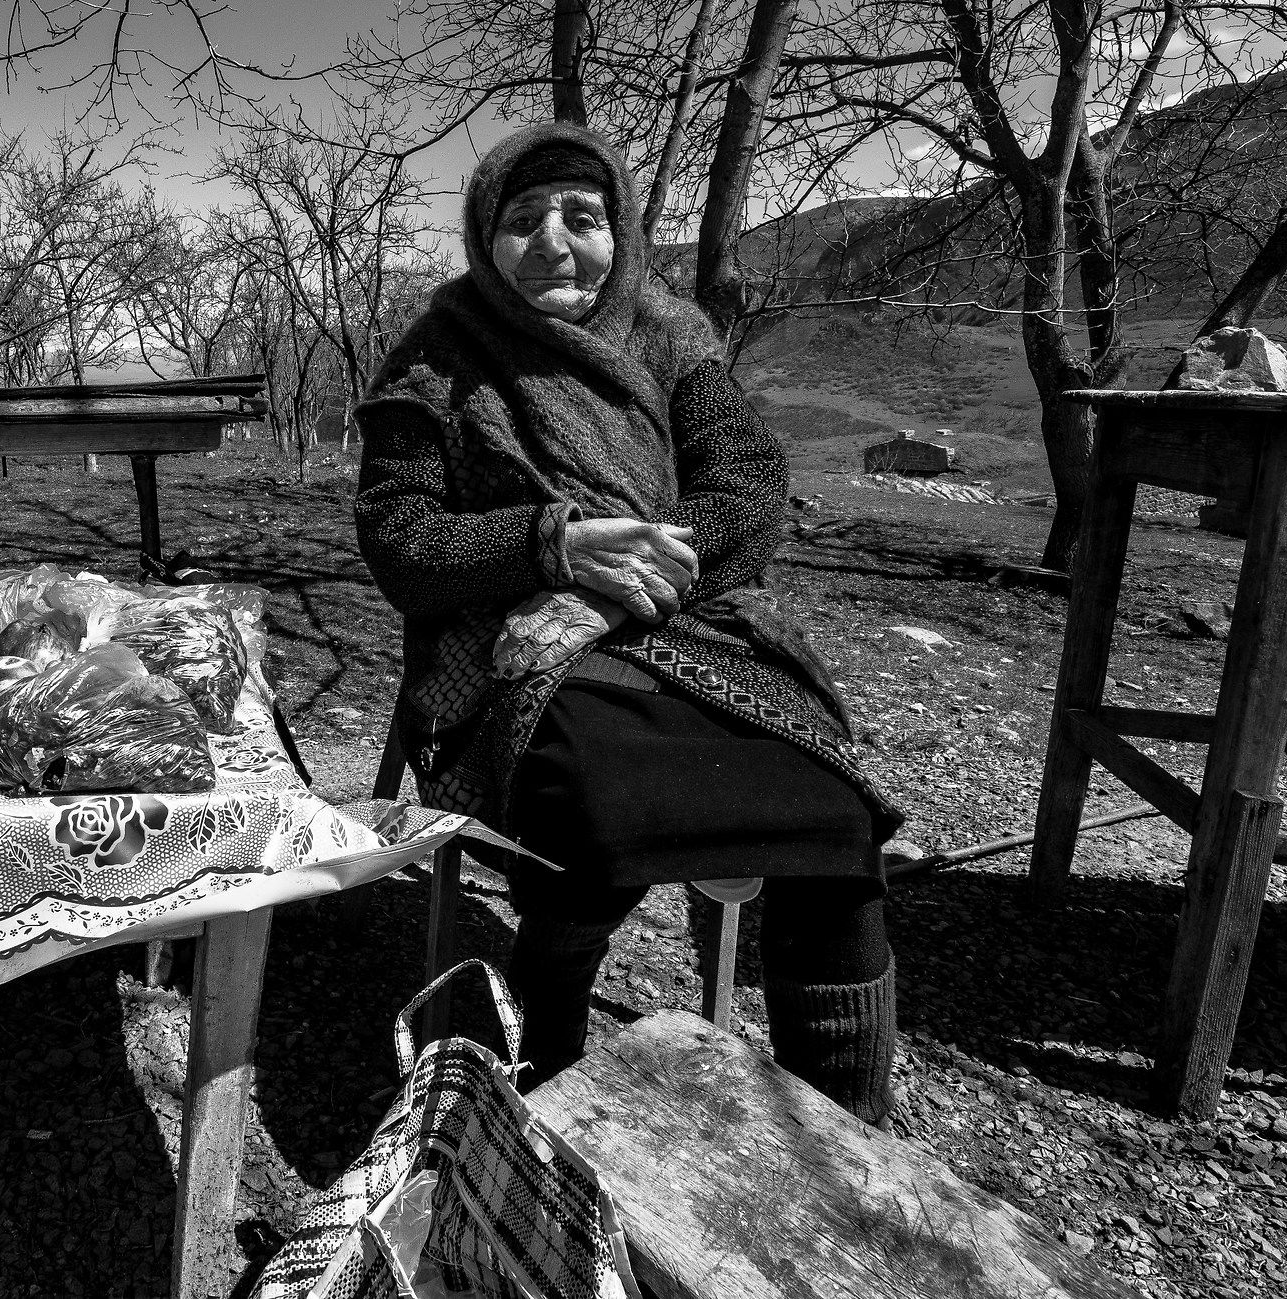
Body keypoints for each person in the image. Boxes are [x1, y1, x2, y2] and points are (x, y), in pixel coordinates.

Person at [351, 121, 904, 1120]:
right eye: (523, 222)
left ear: (623, 230)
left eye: (583, 217)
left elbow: (749, 488)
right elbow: (401, 542)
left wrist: (616, 579)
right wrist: (549, 547)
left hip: (685, 626)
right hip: (509, 647)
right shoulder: (434, 365)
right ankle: (542, 1084)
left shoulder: (671, 336)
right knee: (602, 809)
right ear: (484, 238)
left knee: (837, 822)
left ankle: (847, 1145)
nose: (556, 242)